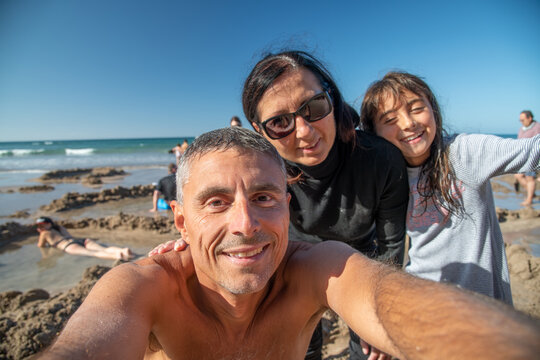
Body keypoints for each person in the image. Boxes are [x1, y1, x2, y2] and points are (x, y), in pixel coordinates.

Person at [40, 127, 540, 360]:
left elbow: (391, 302)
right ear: (181, 222)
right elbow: (88, 346)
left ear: (287, 205)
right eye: (215, 203)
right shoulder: (147, 285)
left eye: (263, 197)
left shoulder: (314, 270)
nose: (246, 223)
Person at [152, 50, 409, 360]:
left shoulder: (380, 159)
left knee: (370, 348)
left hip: (360, 259)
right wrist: (189, 244)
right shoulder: (261, 175)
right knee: (302, 347)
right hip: (291, 264)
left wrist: (384, 310)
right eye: (279, 122)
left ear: (332, 98)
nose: (304, 131)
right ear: (259, 129)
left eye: (314, 107)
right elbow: (228, 221)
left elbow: (392, 243)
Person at [360, 72, 540, 306]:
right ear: (374, 133)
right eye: (390, 119)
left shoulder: (463, 153)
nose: (408, 123)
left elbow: (532, 152)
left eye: (416, 108)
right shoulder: (386, 176)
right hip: (422, 299)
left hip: (483, 308)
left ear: (433, 110)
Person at [36, 217, 134, 261]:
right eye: (39, 226)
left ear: (49, 224)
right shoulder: (60, 228)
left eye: (42, 225)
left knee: (94, 253)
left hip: (69, 246)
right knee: (104, 248)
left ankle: (117, 256)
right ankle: (123, 250)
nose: (40, 227)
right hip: (80, 240)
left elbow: (41, 246)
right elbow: (68, 235)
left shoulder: (44, 233)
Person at [513, 110, 540, 206]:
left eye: (523, 120)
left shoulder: (537, 127)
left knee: (530, 178)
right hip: (523, 157)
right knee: (518, 175)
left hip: (534, 157)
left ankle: (529, 200)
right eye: (520, 120)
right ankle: (531, 194)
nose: (521, 122)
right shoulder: (522, 128)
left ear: (530, 118)